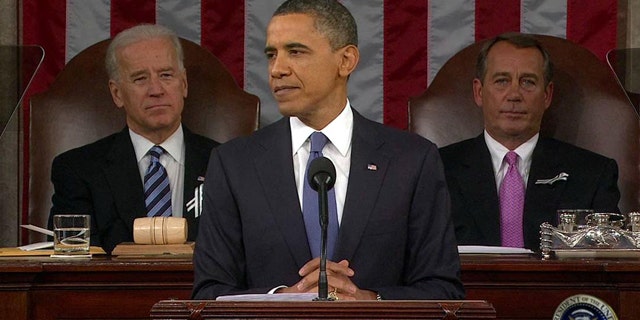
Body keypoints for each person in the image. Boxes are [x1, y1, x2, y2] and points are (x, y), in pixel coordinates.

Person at [192, 0, 464, 301]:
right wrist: (284, 297)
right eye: (272, 54)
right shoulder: (233, 164)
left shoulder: (412, 161)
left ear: (346, 60)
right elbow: (210, 292)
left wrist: (369, 301)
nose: (277, 69)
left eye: (295, 52)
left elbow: (444, 291)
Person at [439, 32, 620, 250]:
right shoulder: (437, 169)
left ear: (547, 95)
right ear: (479, 92)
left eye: (528, 82)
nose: (514, 94)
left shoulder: (593, 174)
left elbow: (610, 261)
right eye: (502, 81)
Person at [48, 24, 218, 254]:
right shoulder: (78, 171)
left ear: (184, 84)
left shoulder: (225, 163)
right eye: (140, 79)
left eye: (166, 75)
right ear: (117, 93)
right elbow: (72, 264)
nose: (156, 90)